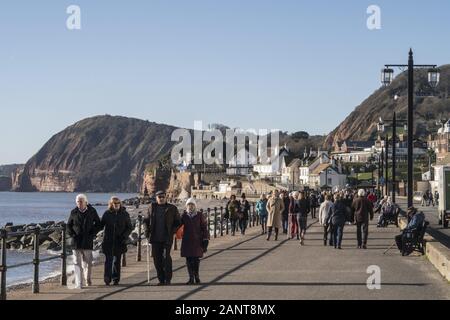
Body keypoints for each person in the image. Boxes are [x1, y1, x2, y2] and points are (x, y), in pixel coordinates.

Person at [144, 190, 181, 286]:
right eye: (159, 197)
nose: (161, 198)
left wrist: (172, 231)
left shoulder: (172, 208)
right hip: (155, 238)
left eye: (163, 196)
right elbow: (146, 221)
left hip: (166, 238)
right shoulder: (151, 207)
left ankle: (167, 279)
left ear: (166, 197)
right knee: (157, 260)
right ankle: (161, 279)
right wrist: (146, 232)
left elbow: (178, 222)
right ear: (156, 198)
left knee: (166, 258)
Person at [67, 194, 101, 289]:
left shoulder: (92, 211)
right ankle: (79, 283)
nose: (79, 203)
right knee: (77, 264)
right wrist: (72, 235)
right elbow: (68, 225)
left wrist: (92, 232)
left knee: (87, 264)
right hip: (76, 242)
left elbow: (98, 224)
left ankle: (88, 280)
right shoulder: (73, 212)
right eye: (78, 202)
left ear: (86, 202)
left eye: (81, 201)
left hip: (87, 241)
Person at [100, 196, 132, 286]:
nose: (116, 204)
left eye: (118, 203)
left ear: (120, 203)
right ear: (111, 204)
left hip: (120, 241)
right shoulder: (107, 214)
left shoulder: (124, 214)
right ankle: (107, 278)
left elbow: (129, 227)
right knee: (108, 260)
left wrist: (124, 236)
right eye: (114, 203)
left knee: (117, 261)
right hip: (108, 241)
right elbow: (101, 225)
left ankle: (116, 279)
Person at [180, 198, 209, 285]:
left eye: (192, 205)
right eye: (189, 205)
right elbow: (178, 226)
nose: (190, 206)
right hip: (187, 241)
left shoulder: (199, 215)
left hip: (197, 241)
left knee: (196, 260)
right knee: (188, 260)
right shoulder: (184, 216)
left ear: (195, 206)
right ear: (186, 206)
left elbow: (204, 228)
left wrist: (205, 239)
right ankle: (191, 278)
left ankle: (197, 277)